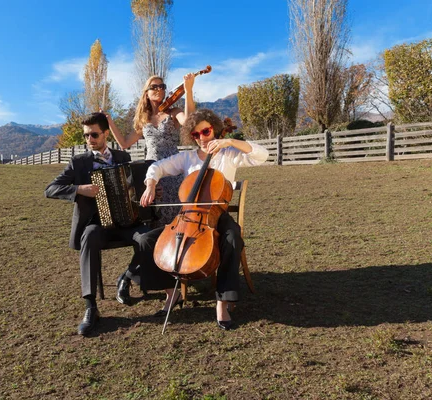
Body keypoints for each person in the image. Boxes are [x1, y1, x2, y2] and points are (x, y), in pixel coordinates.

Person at [138, 109, 269, 330]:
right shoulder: (187, 158)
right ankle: (172, 293)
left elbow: (262, 155)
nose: (202, 138)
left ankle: (222, 301)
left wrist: (231, 141)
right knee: (145, 240)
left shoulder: (229, 153)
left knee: (232, 238)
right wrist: (150, 183)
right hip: (187, 217)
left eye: (206, 132)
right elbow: (157, 167)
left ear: (215, 130)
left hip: (218, 215)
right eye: (196, 135)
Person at [44, 112, 151, 336]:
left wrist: (147, 191)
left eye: (94, 134)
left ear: (104, 134)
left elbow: (136, 186)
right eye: (86, 136)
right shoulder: (79, 163)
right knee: (89, 236)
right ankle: (91, 306)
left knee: (149, 236)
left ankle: (127, 276)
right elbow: (50, 189)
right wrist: (79, 189)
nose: (89, 139)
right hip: (98, 225)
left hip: (126, 221)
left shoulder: (123, 158)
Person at [104, 73, 196, 302]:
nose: (159, 89)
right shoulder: (144, 119)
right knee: (152, 230)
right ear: (146, 92)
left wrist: (189, 89)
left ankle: (171, 276)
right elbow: (125, 144)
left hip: (173, 174)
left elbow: (191, 121)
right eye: (154, 86)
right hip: (150, 177)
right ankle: (133, 275)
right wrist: (109, 121)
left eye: (162, 86)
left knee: (172, 227)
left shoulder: (173, 113)